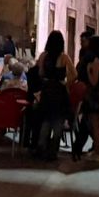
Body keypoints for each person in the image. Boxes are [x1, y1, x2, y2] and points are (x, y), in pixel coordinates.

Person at [30, 30, 76, 160]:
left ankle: (41, 146)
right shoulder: (64, 57)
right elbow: (74, 74)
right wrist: (66, 83)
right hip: (59, 92)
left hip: (47, 91)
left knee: (46, 120)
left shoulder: (43, 56)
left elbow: (39, 73)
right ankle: (53, 150)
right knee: (58, 121)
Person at [71, 34, 99, 162]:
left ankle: (97, 150)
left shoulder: (95, 61)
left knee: (95, 124)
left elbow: (94, 81)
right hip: (98, 96)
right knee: (93, 123)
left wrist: (89, 71)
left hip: (94, 97)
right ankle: (97, 148)